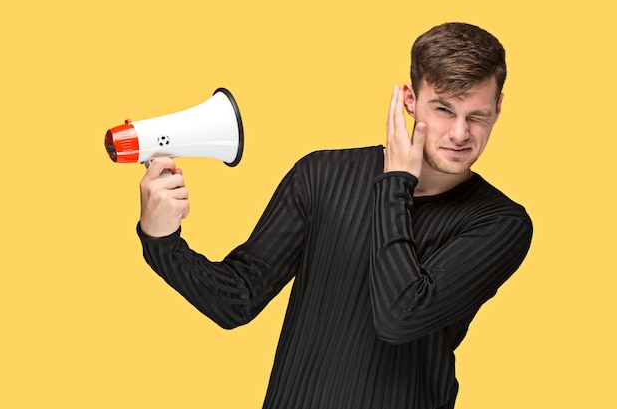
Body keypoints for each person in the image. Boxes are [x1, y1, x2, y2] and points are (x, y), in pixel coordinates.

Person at [137, 22, 533, 409]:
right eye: (444, 109)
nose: (460, 133)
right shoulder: (321, 175)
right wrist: (161, 241)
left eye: (477, 116)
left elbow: (399, 315)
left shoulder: (500, 223)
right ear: (410, 99)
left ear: (498, 108)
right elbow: (236, 301)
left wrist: (395, 183)